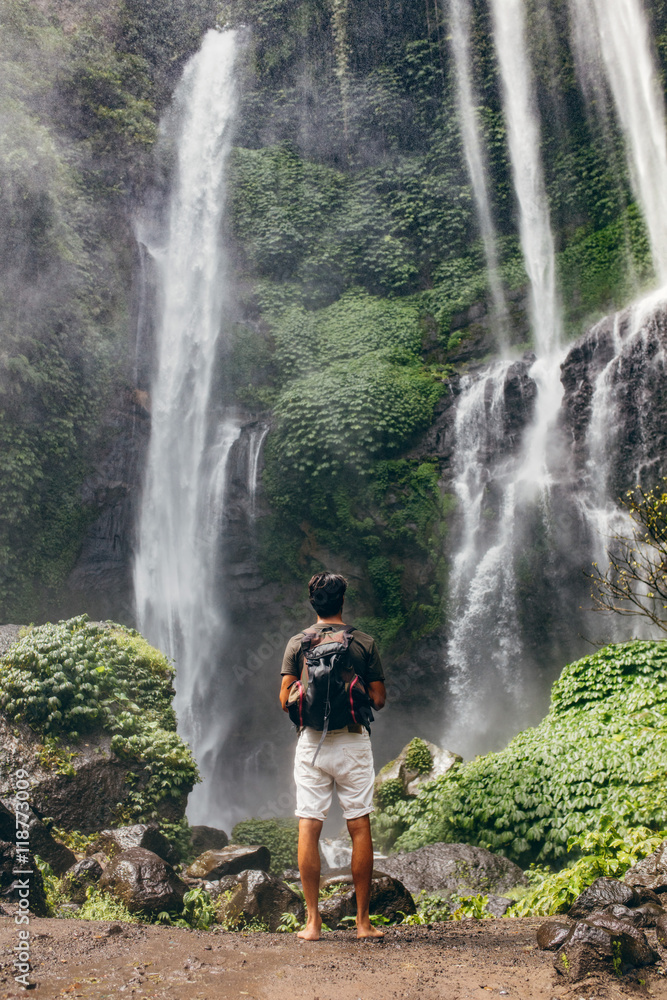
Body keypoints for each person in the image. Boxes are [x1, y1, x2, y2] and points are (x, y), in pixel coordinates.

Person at [279, 571, 387, 941]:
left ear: (314, 604)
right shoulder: (363, 642)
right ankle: (362, 923)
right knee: (359, 825)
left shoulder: (298, 643)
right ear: (343, 602)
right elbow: (379, 699)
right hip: (353, 742)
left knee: (309, 825)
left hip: (312, 743)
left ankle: (312, 922)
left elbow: (283, 700)